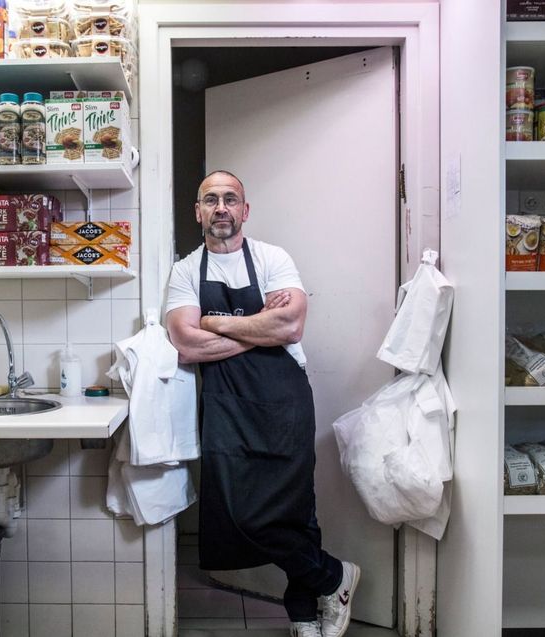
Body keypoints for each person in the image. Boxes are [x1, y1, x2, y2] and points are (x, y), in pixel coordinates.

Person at [166, 170, 359, 637]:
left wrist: (215, 322)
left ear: (245, 210)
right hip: (226, 405)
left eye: (230, 199)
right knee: (238, 511)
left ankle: (304, 613)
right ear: (198, 212)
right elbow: (187, 345)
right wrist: (259, 325)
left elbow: (290, 328)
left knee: (296, 508)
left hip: (282, 400)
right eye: (210, 199)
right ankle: (335, 576)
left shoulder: (274, 259)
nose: (221, 208)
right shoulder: (186, 270)